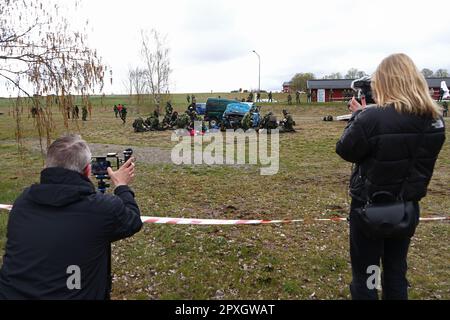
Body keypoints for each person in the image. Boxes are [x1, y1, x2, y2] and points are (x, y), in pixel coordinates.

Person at [336, 53, 446, 300]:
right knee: (396, 272)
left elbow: (345, 149)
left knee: (368, 276)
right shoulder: (435, 120)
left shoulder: (372, 117)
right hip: (406, 209)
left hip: (369, 210)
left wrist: (358, 116)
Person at [0, 134, 142, 299]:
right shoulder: (102, 209)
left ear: (48, 166)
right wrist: (121, 186)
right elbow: (132, 221)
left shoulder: (23, 202)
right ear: (87, 171)